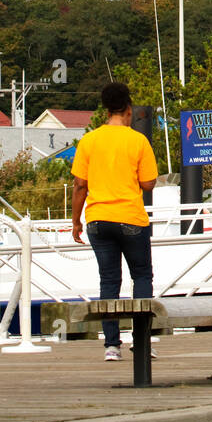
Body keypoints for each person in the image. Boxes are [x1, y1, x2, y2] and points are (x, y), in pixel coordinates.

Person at [71, 83, 158, 361]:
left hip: (98, 219)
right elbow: (148, 184)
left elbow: (79, 185)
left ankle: (111, 345)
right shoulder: (138, 141)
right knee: (141, 277)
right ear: (129, 109)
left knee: (109, 281)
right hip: (131, 218)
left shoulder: (89, 140)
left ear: (106, 110)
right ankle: (142, 340)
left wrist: (75, 221)